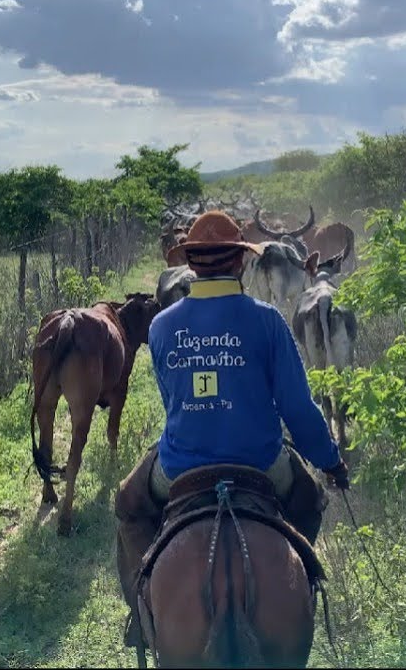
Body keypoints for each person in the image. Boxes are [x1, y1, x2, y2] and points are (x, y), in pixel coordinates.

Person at [114, 209, 349, 645]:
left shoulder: (163, 326)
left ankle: (142, 611)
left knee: (128, 504)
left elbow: (174, 404)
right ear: (241, 261)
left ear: (192, 265)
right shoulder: (267, 321)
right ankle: (304, 577)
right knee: (309, 498)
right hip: (261, 462)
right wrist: (331, 461)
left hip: (180, 466)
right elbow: (297, 409)